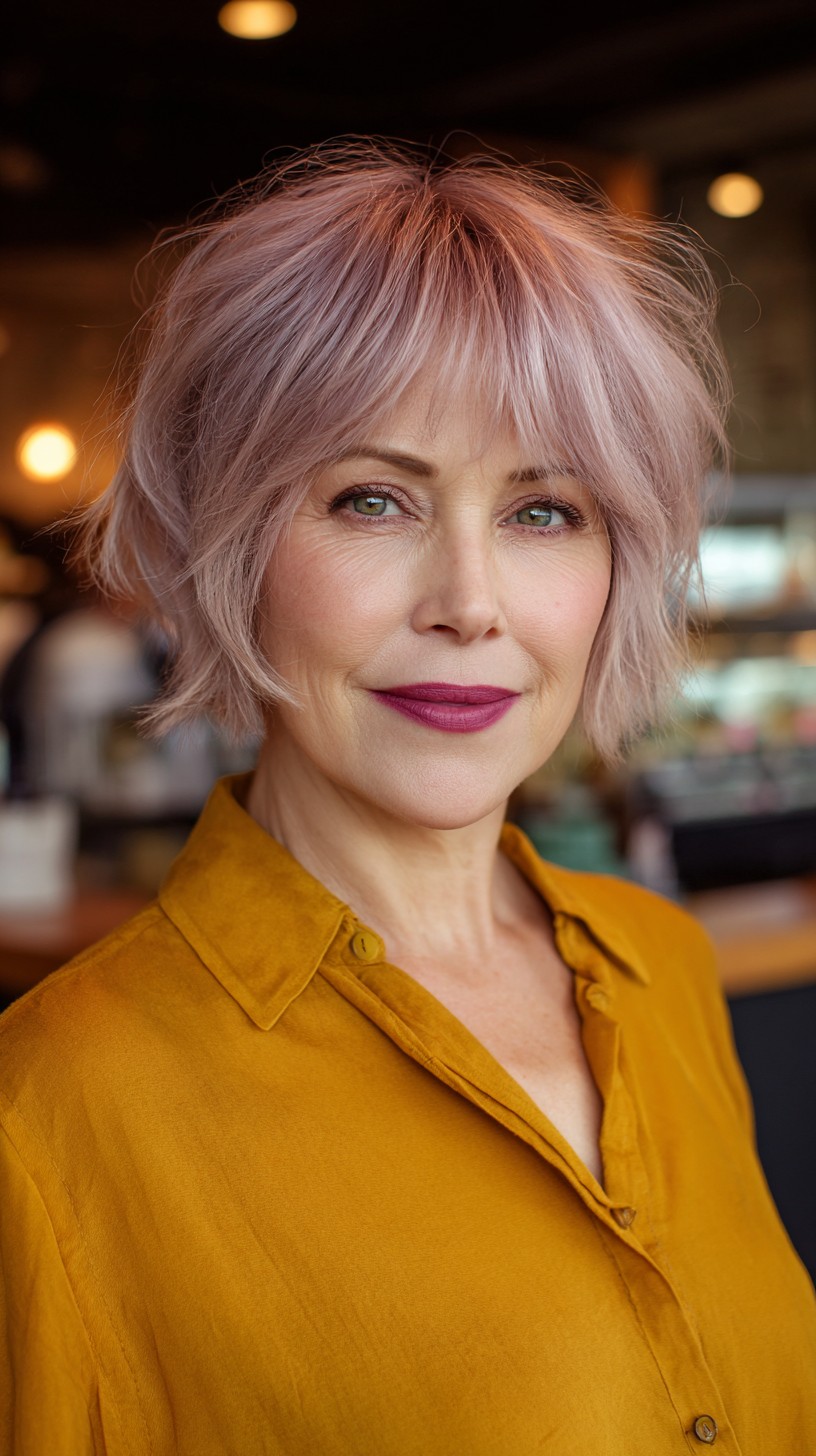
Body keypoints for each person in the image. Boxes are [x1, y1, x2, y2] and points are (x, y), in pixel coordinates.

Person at [0, 141, 814, 1456]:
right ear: (230, 543)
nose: (471, 603)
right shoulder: (52, 1120)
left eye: (546, 511)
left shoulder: (662, 969)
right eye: (373, 499)